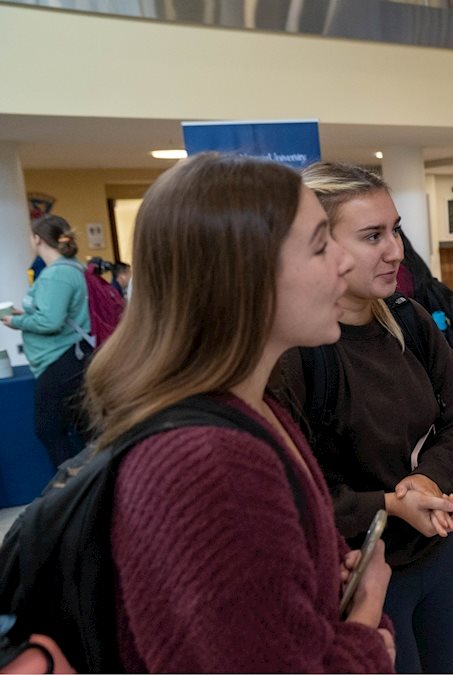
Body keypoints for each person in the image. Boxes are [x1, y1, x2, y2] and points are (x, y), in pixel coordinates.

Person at [83, 152, 396, 671]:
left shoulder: (253, 408)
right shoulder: (208, 463)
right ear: (244, 279)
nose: (344, 262)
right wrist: (366, 620)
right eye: (321, 246)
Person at [276, 161, 453, 674]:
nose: (395, 250)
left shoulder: (408, 320)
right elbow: (293, 496)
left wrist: (425, 478)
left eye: (395, 230)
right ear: (317, 245)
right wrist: (390, 504)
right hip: (356, 579)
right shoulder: (295, 354)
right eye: (373, 236)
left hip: (435, 562)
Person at [1, 215, 92, 466]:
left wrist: (16, 322)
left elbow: (51, 323)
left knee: (49, 430)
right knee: (86, 429)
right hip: (75, 356)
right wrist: (28, 314)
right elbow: (55, 313)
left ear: (37, 239)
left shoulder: (57, 275)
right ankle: (96, 489)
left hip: (60, 359)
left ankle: (73, 490)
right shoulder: (74, 268)